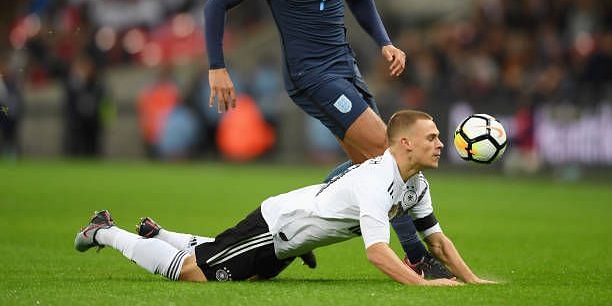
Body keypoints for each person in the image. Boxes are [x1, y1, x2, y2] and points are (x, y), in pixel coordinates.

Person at [203, 0, 444, 276]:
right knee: (388, 158)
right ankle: (418, 259)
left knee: (370, 170)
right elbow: (216, 4)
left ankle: (298, 232)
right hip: (311, 76)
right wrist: (217, 66)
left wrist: (384, 42)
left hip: (346, 68)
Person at [74, 110, 496, 286]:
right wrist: (425, 287)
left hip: (291, 239)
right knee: (194, 274)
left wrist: (473, 281)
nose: (442, 144)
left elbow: (436, 240)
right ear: (404, 143)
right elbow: (377, 253)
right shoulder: (376, 180)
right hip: (278, 227)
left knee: (221, 255)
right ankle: (104, 232)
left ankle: (159, 233)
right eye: (433, 137)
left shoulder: (416, 184)